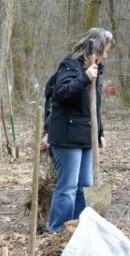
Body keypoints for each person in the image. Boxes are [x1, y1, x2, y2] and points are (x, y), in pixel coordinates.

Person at [45, 28, 115, 232]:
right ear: (97, 48)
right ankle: (58, 230)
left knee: (85, 185)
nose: (106, 56)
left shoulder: (96, 69)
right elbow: (61, 94)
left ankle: (77, 229)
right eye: (105, 51)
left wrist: (100, 131)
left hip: (86, 136)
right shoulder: (70, 65)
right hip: (66, 136)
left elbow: (94, 106)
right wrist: (85, 77)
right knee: (68, 187)